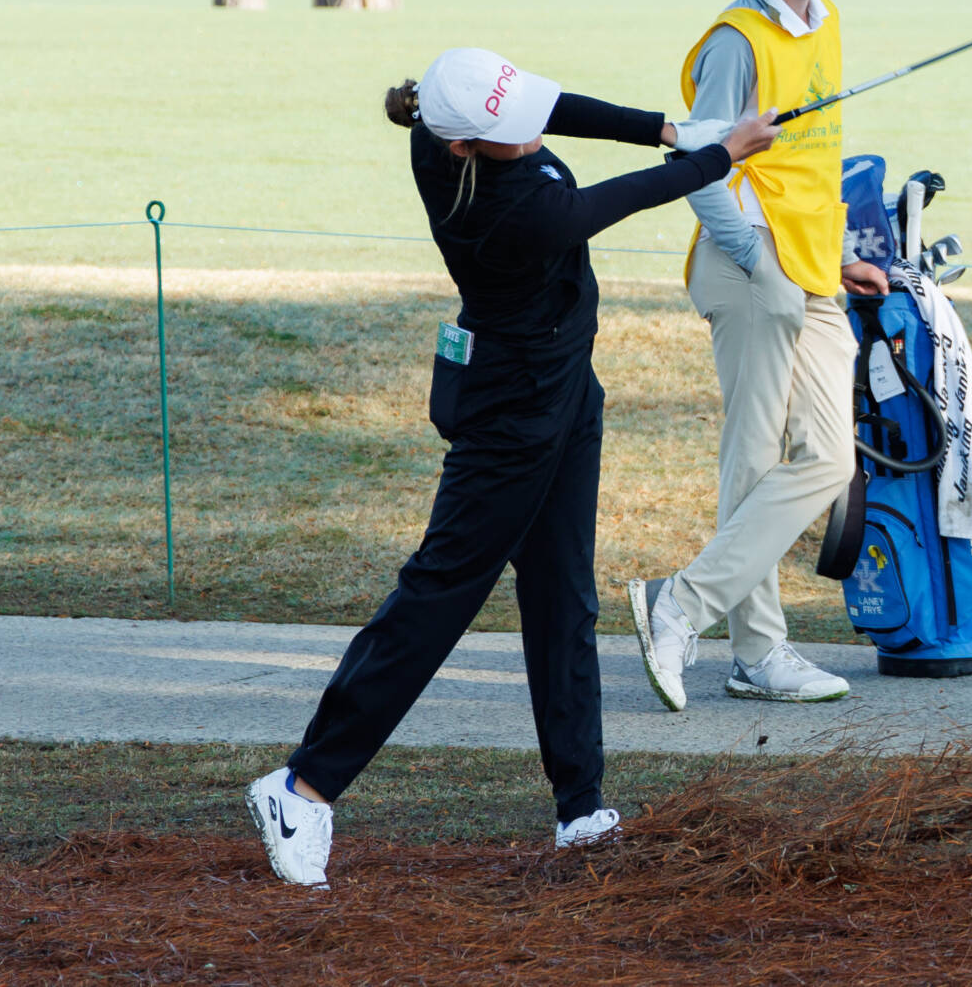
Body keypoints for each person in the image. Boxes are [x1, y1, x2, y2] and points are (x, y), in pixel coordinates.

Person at [245, 47, 777, 889]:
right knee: (442, 588)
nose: (529, 135)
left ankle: (580, 808)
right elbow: (616, 200)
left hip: (567, 389)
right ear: (462, 145)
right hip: (513, 410)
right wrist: (715, 155)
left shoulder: (446, 130)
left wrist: (665, 127)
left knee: (563, 590)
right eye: (510, 130)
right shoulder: (518, 215)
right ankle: (303, 787)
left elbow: (552, 106)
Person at [628, 0, 892, 712]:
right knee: (751, 459)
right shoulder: (737, 41)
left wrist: (835, 251)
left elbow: (808, 162)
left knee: (827, 460)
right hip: (748, 270)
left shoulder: (829, 20)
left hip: (811, 267)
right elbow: (697, 164)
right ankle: (758, 652)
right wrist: (753, 253)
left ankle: (683, 604)